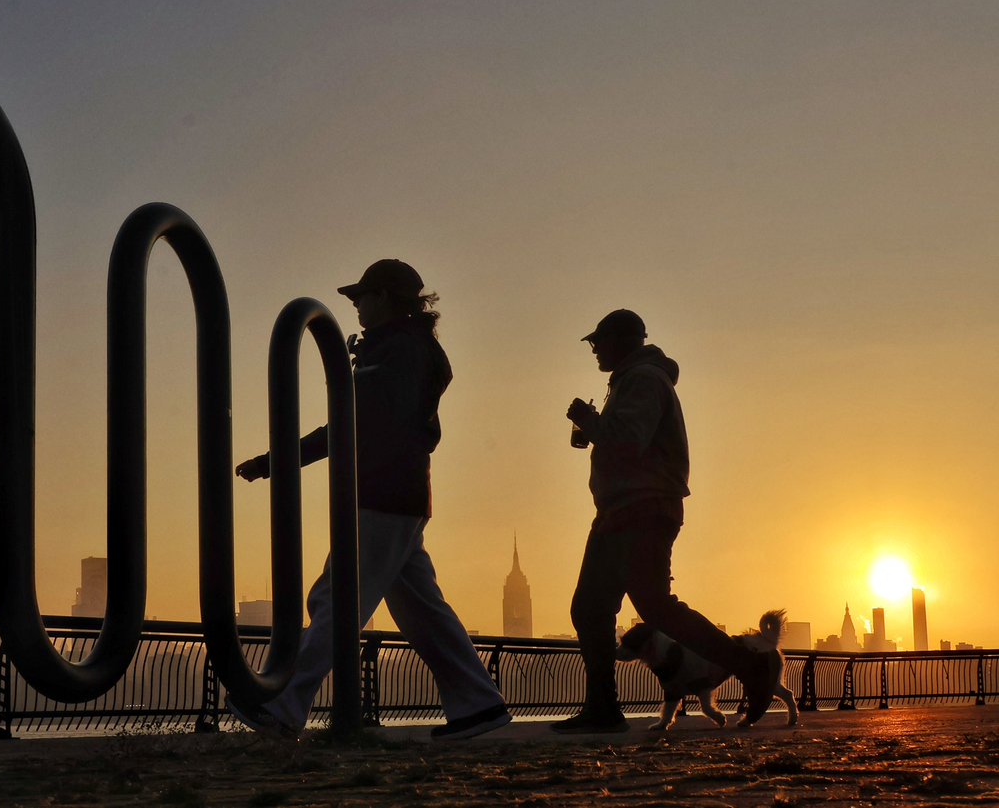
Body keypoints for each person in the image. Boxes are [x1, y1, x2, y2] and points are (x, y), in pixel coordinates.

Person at [229, 259, 511, 740]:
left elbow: (354, 425)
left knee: (337, 598)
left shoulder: (397, 352)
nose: (355, 305)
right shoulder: (402, 350)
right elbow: (380, 423)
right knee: (422, 611)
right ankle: (478, 704)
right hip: (398, 494)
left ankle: (282, 704)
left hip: (383, 493)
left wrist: (276, 461)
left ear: (384, 297)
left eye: (362, 296)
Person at [554, 308, 781, 734]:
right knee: (592, 609)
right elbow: (624, 439)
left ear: (622, 340)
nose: (594, 350)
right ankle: (603, 708)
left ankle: (750, 666)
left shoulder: (643, 380)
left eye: (598, 342)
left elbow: (627, 442)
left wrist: (590, 422)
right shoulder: (631, 381)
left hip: (641, 508)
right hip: (621, 510)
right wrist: (595, 427)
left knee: (651, 607)